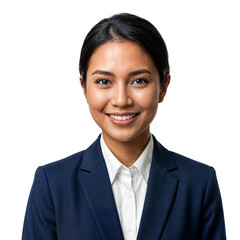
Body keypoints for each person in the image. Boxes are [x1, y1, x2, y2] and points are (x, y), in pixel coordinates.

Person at [22, 13, 226, 240]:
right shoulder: (52, 185)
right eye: (104, 81)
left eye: (139, 80)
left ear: (163, 87)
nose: (121, 100)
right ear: (84, 88)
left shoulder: (199, 184)